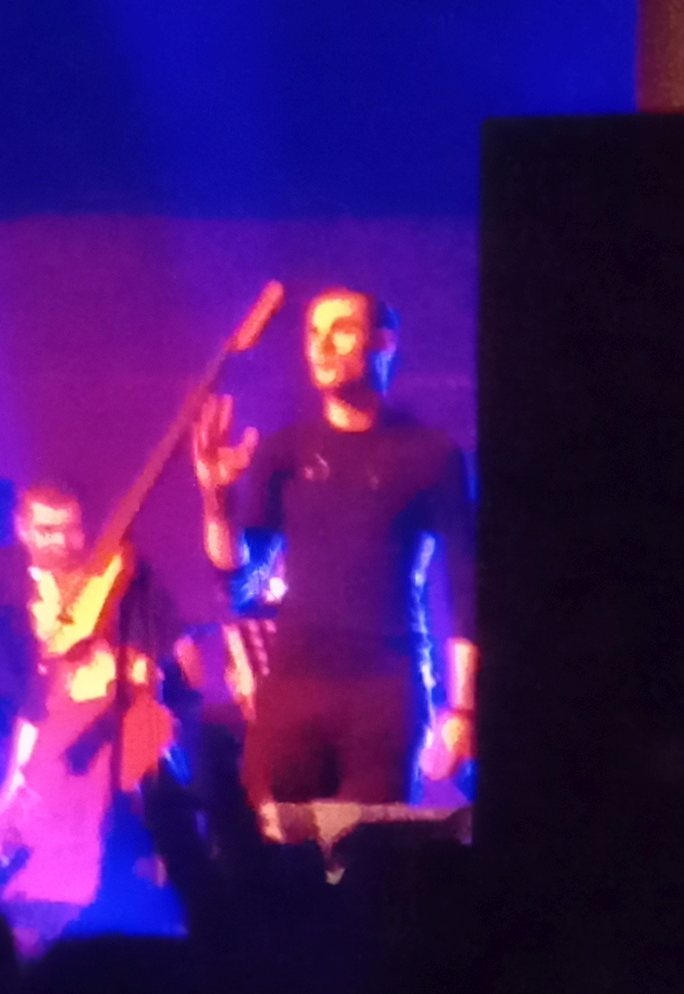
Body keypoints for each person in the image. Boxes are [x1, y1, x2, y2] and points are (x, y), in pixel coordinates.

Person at [191, 286, 477, 811]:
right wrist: (217, 501)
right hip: (294, 687)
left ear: (383, 342)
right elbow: (238, 582)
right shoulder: (284, 451)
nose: (321, 346)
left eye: (341, 330)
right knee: (278, 847)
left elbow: (467, 586)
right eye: (313, 333)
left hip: (386, 692)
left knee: (369, 851)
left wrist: (464, 709)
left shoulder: (432, 455)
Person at [0, 479, 176, 942]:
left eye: (71, 530)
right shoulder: (1, 573)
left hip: (88, 721)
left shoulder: (118, 578)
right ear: (22, 529)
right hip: (19, 711)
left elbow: (151, 660)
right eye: (46, 531)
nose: (61, 543)